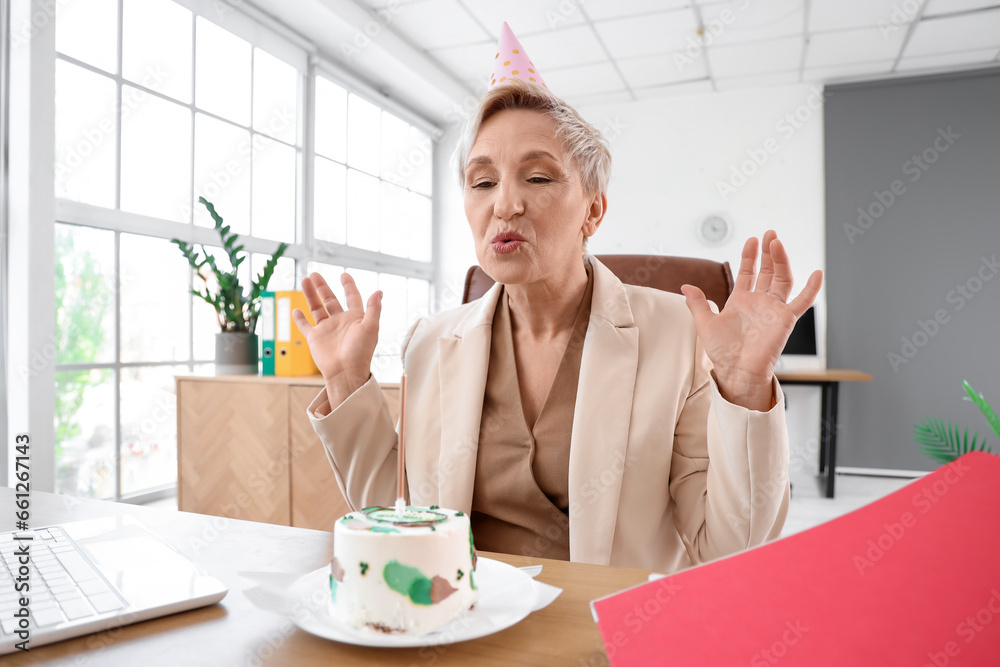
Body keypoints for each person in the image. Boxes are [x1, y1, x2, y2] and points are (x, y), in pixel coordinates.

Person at [292, 23, 823, 572]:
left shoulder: (678, 336)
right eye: (482, 182)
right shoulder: (429, 343)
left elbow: (729, 548)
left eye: (539, 177)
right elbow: (393, 516)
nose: (505, 204)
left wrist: (744, 388)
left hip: (603, 631)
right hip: (465, 624)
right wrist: (346, 380)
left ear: (593, 210)